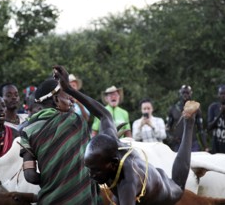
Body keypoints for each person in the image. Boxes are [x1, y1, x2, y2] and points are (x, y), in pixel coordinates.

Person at [52, 65, 198, 205]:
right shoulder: (111, 144)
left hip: (161, 191)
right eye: (90, 169)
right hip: (142, 175)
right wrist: (69, 89)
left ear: (113, 163)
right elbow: (104, 115)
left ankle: (189, 122)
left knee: (178, 187)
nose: (91, 175)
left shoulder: (127, 185)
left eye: (95, 170)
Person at [19, 77, 98, 204]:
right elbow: (103, 115)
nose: (72, 100)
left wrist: (54, 180)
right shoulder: (75, 121)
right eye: (67, 97)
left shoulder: (28, 130)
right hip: (81, 199)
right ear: (56, 99)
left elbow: (30, 176)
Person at [166, 85, 208, 152]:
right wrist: (172, 139)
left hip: (192, 143)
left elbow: (201, 130)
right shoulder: (173, 109)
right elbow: (167, 129)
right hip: (178, 143)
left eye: (187, 93)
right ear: (180, 93)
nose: (185, 95)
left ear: (191, 93)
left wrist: (205, 146)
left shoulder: (196, 109)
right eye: (183, 93)